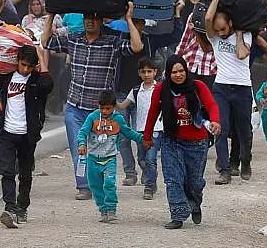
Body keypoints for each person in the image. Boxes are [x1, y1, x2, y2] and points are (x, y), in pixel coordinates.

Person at [43, 3, 143, 199]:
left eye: (94, 17)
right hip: (75, 107)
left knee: (101, 152)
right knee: (79, 150)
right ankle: (84, 187)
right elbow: (45, 42)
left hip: (100, 111)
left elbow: (137, 46)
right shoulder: (74, 40)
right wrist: (52, 13)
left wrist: (129, 19)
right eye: (87, 17)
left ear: (101, 20)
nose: (90, 21)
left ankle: (100, 184)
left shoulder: (111, 42)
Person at [142, 54, 220, 228]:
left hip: (197, 144)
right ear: (168, 73)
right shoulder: (161, 89)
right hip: (171, 142)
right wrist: (147, 138)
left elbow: (212, 105)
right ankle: (178, 215)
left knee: (194, 182)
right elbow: (153, 113)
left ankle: (194, 203)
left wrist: (215, 121)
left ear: (186, 70)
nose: (178, 75)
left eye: (181, 71)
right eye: (174, 72)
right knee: (173, 179)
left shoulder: (198, 86)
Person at [0, 46, 52, 227]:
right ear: (17, 62)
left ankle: (22, 207)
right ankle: (10, 208)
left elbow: (48, 85)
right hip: (6, 132)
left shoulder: (36, 81)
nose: (25, 69)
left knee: (25, 173)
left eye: (29, 66)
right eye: (22, 64)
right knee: (7, 171)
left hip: (27, 134)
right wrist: (0, 104)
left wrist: (41, 57)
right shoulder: (7, 76)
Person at [206, 0, 255, 185]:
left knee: (244, 130)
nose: (220, 33)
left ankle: (246, 160)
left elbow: (242, 54)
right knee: (221, 128)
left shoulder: (246, 36)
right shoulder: (215, 36)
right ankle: (224, 170)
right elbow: (209, 18)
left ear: (231, 23)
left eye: (223, 29)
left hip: (242, 88)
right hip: (221, 87)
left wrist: (240, 33)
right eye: (217, 30)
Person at [76, 89, 143, 223]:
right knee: (95, 186)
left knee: (109, 183)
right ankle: (103, 210)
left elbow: (128, 132)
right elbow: (82, 132)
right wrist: (82, 143)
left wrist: (143, 139)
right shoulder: (93, 117)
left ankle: (112, 209)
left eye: (108, 108)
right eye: (102, 108)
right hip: (93, 159)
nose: (105, 111)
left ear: (114, 107)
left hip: (109, 159)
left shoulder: (118, 119)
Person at [116, 57, 163, 200]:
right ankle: (150, 177)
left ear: (155, 72)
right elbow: (123, 106)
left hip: (156, 129)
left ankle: (149, 186)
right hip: (140, 130)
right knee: (142, 158)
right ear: (139, 73)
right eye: (144, 72)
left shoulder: (160, 88)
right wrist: (112, 102)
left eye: (150, 71)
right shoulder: (136, 90)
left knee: (150, 158)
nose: (147, 74)